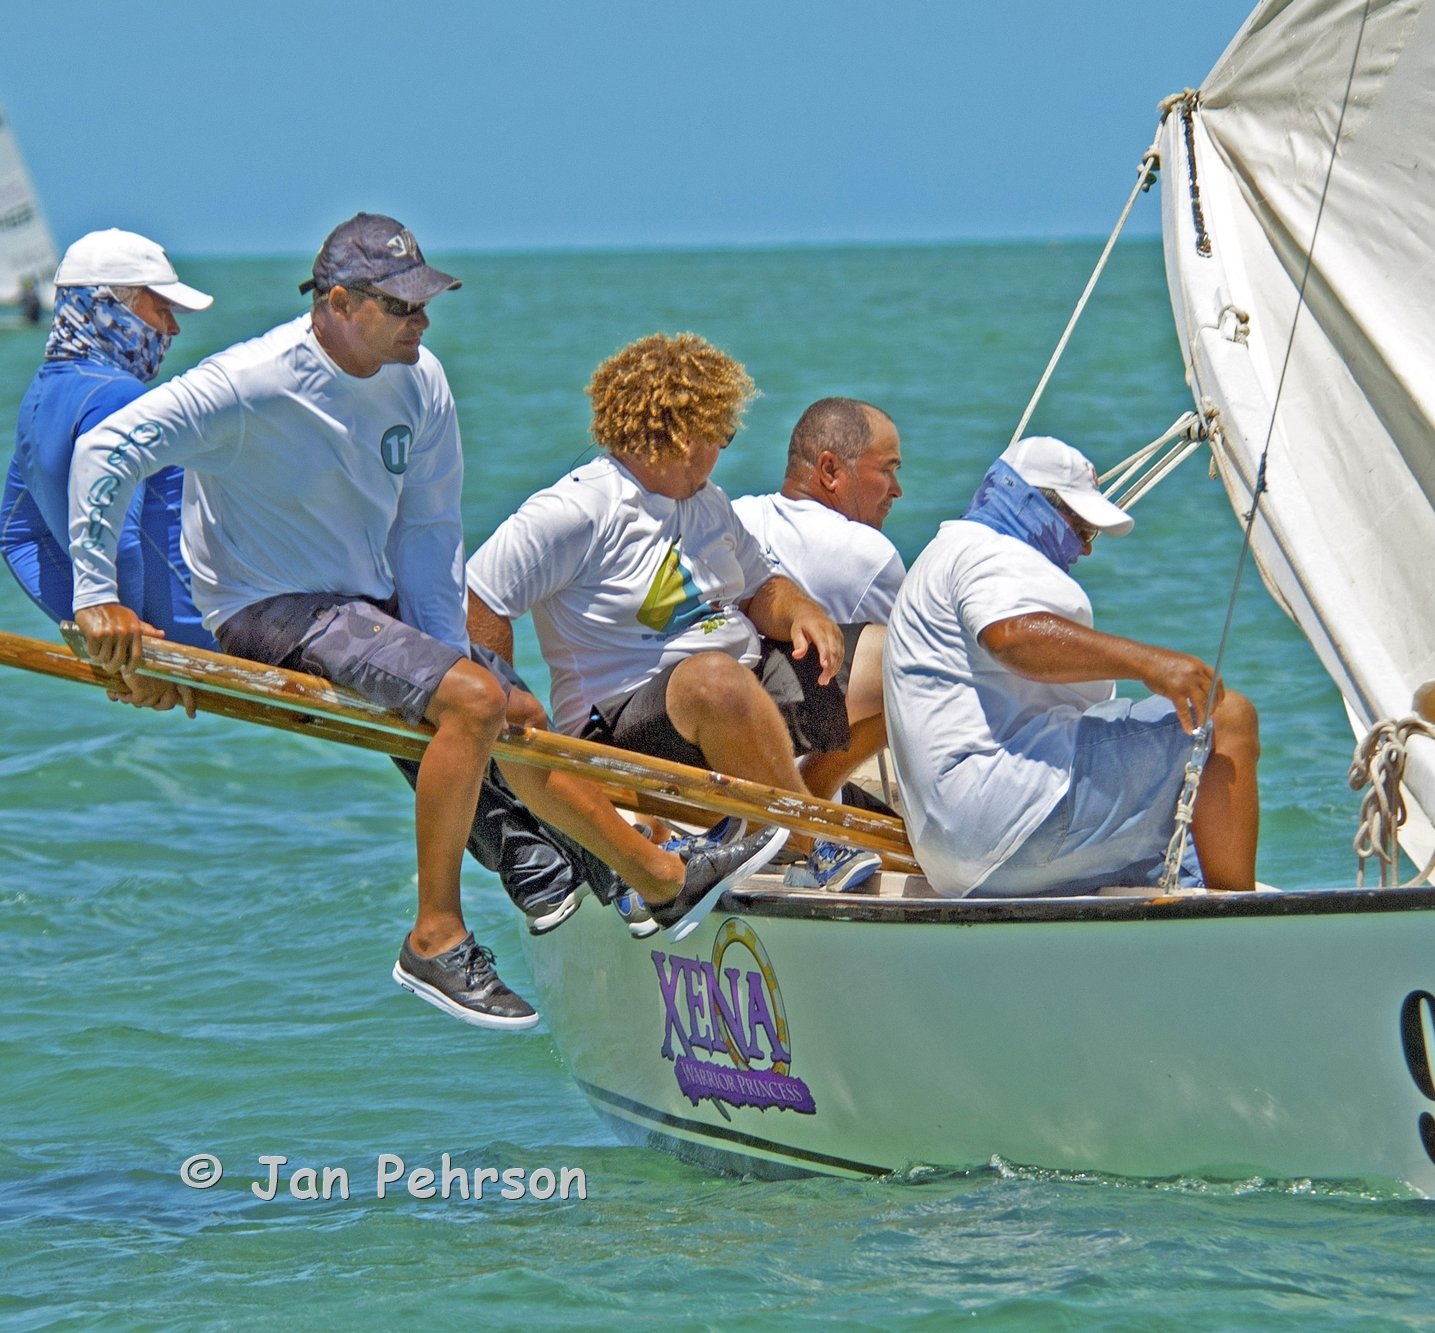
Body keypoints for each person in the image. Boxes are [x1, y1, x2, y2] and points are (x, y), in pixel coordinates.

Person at [65, 214, 776, 1031]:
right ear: (338, 302)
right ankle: (436, 935)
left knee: (515, 710)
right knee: (472, 702)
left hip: (369, 600)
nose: (423, 321)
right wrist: (96, 596)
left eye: (424, 302)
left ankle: (630, 880)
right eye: (402, 307)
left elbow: (431, 535)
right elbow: (108, 448)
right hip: (265, 605)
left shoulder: (421, 380)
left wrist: (450, 658)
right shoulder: (249, 380)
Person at [466, 333, 888, 922]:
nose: (726, 449)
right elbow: (483, 594)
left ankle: (782, 811)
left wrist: (801, 612)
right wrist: (509, 712)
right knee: (714, 680)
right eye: (724, 435)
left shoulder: (708, 502)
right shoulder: (577, 510)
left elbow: (761, 587)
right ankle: (805, 839)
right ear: (686, 437)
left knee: (896, 660)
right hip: (623, 724)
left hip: (739, 692)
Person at [883, 435, 1261, 898]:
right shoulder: (989, 553)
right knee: (1226, 719)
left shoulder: (946, 552)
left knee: (1173, 856)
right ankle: (1243, 929)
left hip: (958, 855)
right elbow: (1010, 636)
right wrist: (1148, 664)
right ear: (1030, 503)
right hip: (1007, 821)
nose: (1086, 550)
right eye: (1082, 530)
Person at [4, 230, 213, 713]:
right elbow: (115, 535)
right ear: (106, 308)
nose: (173, 328)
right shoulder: (118, 398)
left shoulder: (39, 397)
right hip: (220, 630)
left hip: (166, 639)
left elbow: (17, 532)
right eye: (161, 309)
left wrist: (107, 649)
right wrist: (138, 658)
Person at [731, 397, 905, 624]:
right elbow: (905, 656)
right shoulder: (870, 556)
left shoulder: (731, 519)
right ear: (829, 470)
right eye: (887, 470)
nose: (897, 490)